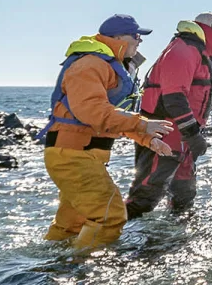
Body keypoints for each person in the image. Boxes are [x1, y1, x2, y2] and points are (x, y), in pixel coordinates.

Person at [42, 16, 177, 250]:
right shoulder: (90, 64)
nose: (139, 42)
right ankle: (81, 269)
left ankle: (52, 267)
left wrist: (148, 139)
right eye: (136, 36)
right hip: (74, 156)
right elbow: (93, 111)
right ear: (118, 38)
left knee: (71, 224)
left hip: (80, 155)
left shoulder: (106, 65)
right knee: (110, 217)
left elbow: (113, 120)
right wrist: (142, 125)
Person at [127, 13, 212, 219]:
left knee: (184, 192)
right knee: (147, 192)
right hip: (167, 133)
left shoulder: (198, 53)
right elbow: (174, 96)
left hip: (183, 137)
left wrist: (192, 137)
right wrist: (192, 134)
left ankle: (174, 240)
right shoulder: (184, 50)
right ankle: (114, 239)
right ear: (209, 30)